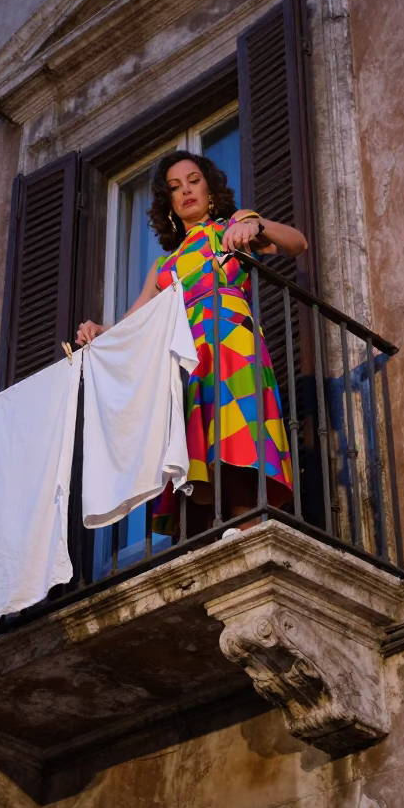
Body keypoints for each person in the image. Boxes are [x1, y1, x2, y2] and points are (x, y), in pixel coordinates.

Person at [75, 151, 308, 533]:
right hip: (189, 358)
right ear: (168, 204)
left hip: (233, 346)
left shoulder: (231, 227)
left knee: (237, 438)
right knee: (199, 447)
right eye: (175, 187)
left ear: (210, 189)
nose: (186, 190)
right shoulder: (164, 266)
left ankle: (250, 529)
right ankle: (217, 535)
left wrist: (254, 224)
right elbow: (134, 322)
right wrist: (100, 332)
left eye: (194, 180)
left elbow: (297, 244)